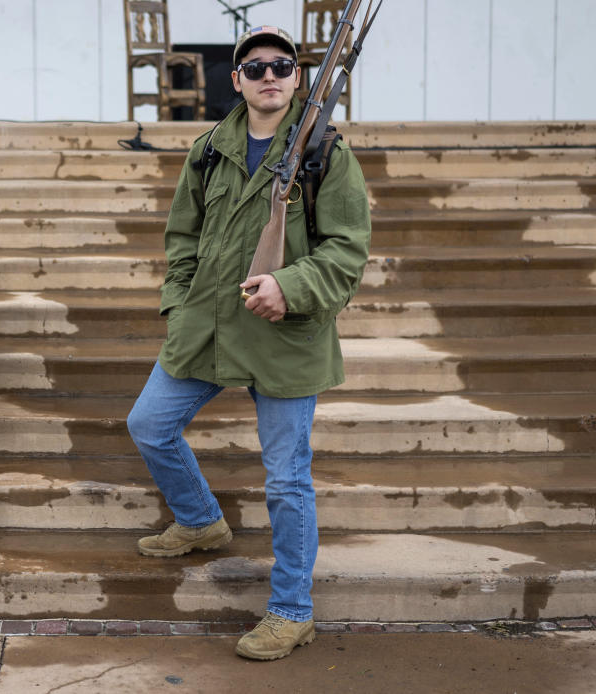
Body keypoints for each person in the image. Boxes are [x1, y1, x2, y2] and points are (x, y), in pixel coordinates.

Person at [126, 26, 370, 660]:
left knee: (288, 482)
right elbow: (183, 235)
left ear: (297, 77)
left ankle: (292, 611)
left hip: (287, 333)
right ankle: (202, 520)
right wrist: (179, 307)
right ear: (234, 79)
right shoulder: (208, 148)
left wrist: (290, 287)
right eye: (254, 66)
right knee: (150, 424)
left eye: (282, 66)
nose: (269, 75)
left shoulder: (326, 155)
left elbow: (347, 253)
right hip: (207, 324)